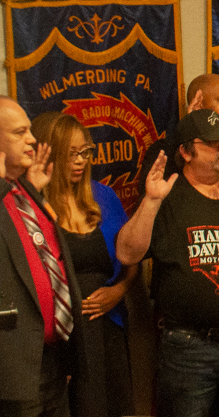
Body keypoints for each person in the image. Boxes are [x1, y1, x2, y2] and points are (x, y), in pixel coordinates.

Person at [116, 109, 219, 417]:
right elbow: (127, 254)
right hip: (189, 347)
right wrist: (150, 201)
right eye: (213, 143)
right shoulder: (168, 197)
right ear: (186, 152)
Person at [30, 113, 135, 417]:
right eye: (70, 153)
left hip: (108, 325)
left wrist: (120, 290)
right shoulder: (34, 203)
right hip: (64, 337)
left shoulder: (104, 195)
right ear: (48, 153)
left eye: (85, 152)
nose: (80, 161)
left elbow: (131, 261)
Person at [0, 97, 83, 417]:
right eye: (20, 132)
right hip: (13, 367)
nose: (32, 139)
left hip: (53, 359)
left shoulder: (25, 190)